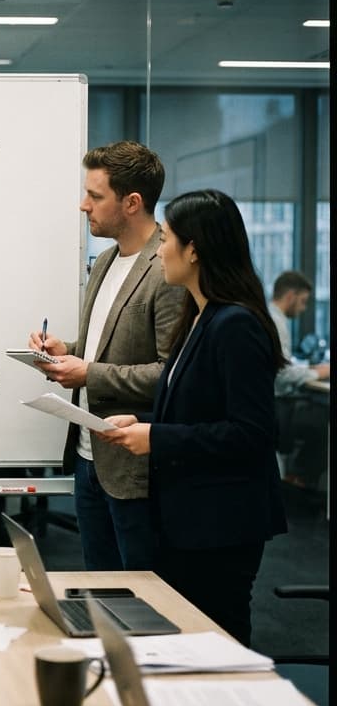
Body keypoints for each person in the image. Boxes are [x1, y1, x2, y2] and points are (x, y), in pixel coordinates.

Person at [97, 189, 288, 646]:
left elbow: (252, 433)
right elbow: (198, 406)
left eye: (167, 239)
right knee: (185, 636)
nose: (160, 249)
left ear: (195, 249)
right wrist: (140, 419)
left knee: (217, 639)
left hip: (220, 526)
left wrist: (157, 437)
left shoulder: (235, 325)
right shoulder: (199, 316)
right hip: (187, 518)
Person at [27, 141, 185, 570]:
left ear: (132, 202)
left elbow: (174, 375)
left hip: (134, 468)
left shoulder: (168, 267)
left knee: (141, 595)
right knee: (100, 588)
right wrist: (69, 353)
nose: (83, 206)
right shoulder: (105, 261)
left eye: (95, 196)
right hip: (87, 458)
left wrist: (89, 373)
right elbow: (107, 347)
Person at [269, 270, 329, 489]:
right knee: (323, 423)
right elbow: (282, 375)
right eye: (303, 302)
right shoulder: (276, 322)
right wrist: (321, 373)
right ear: (291, 296)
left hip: (274, 403)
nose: (304, 309)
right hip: (276, 406)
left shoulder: (269, 316)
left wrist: (308, 368)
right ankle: (299, 479)